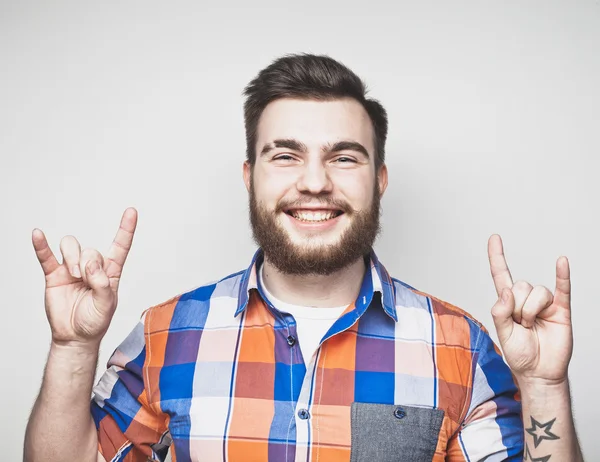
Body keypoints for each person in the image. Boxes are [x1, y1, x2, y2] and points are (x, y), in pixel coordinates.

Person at [23, 54, 583, 462]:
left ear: (379, 180)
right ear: (250, 177)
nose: (314, 183)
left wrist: (544, 385)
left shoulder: (462, 347)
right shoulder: (167, 333)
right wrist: (74, 347)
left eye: (344, 157)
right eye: (285, 155)